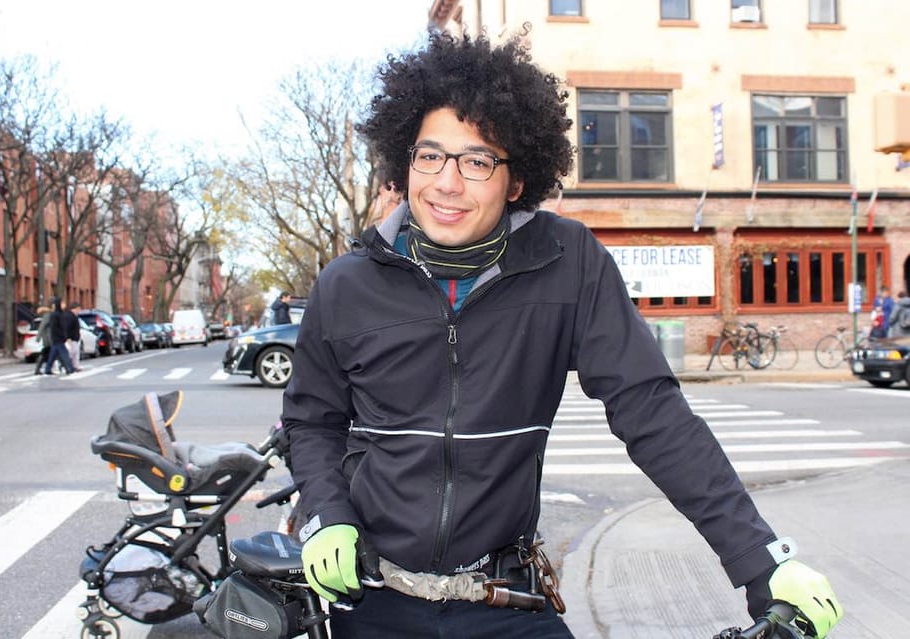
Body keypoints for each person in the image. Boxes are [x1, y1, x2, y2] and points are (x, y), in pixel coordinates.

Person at [282, 31, 842, 639]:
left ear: (515, 181)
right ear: (405, 159)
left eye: (477, 161)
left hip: (504, 597)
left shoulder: (568, 261)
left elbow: (652, 413)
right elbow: (312, 421)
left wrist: (763, 563)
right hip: (370, 601)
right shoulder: (345, 284)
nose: (446, 183)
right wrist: (327, 515)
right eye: (430, 156)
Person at [43, 297, 75, 375]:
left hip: (57, 338)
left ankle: (47, 369)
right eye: (62, 303)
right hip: (58, 338)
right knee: (64, 353)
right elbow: (56, 328)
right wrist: (64, 336)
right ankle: (70, 368)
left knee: (53, 354)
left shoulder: (60, 314)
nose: (64, 305)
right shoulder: (55, 315)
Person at [63, 301, 82, 372]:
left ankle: (75, 366)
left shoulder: (72, 316)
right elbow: (67, 327)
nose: (79, 311)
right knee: (72, 352)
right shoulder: (69, 316)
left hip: (74, 338)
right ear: (75, 309)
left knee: (75, 352)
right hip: (71, 338)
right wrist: (67, 337)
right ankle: (71, 366)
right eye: (79, 309)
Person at [33, 305, 52, 375]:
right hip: (48, 338)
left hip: (50, 337)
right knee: (45, 353)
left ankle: (46, 369)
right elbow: (42, 326)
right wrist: (38, 337)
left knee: (48, 353)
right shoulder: (48, 315)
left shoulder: (51, 314)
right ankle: (38, 369)